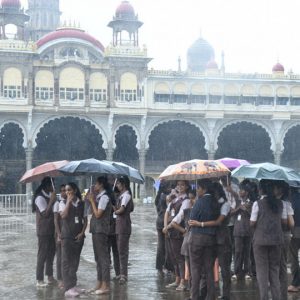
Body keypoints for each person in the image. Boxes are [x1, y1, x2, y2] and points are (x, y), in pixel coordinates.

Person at [250, 180, 286, 300]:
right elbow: (284, 222)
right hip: (276, 240)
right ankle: (277, 297)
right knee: (274, 271)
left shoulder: (257, 203)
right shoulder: (280, 203)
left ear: (260, 190)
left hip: (260, 241)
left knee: (262, 272)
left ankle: (264, 297)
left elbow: (252, 222)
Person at [198, 182, 232, 300]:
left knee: (225, 269)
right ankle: (206, 293)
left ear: (216, 192)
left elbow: (219, 221)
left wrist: (201, 223)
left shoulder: (225, 204)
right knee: (206, 268)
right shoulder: (210, 203)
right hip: (210, 239)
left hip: (223, 240)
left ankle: (226, 295)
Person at [188, 179, 219, 300]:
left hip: (197, 239)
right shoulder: (215, 202)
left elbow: (191, 220)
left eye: (198, 188)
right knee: (209, 269)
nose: (197, 190)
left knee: (195, 269)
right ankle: (210, 296)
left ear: (204, 189)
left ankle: (194, 296)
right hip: (211, 239)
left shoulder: (199, 202)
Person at [60, 182, 87, 297]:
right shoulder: (62, 203)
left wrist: (82, 233)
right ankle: (68, 288)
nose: (67, 192)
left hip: (78, 236)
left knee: (75, 261)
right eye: (66, 191)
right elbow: (63, 215)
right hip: (67, 236)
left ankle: (73, 285)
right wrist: (68, 202)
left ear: (75, 190)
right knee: (66, 261)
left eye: (69, 190)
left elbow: (85, 220)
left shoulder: (82, 203)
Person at [163, 180, 190, 291]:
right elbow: (167, 212)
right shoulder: (174, 199)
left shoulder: (186, 200)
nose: (180, 187)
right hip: (170, 231)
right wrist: (165, 227)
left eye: (182, 185)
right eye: (178, 185)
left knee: (180, 257)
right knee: (173, 257)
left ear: (187, 186)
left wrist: (168, 226)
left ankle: (183, 281)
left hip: (179, 231)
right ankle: (177, 278)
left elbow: (180, 216)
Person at [88, 176, 112, 295]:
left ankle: (105, 284)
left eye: (96, 184)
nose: (94, 186)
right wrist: (91, 200)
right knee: (98, 258)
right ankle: (99, 282)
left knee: (103, 258)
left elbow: (98, 214)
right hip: (95, 230)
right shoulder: (98, 197)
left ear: (101, 184)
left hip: (101, 230)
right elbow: (92, 212)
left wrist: (92, 201)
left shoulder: (104, 197)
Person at [32, 177, 57, 287]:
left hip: (52, 229)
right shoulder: (39, 198)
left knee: (51, 253)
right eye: (52, 185)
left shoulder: (49, 196)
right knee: (42, 254)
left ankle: (50, 276)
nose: (54, 187)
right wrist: (51, 201)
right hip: (43, 230)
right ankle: (39, 279)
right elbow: (45, 214)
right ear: (47, 186)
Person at [273, 181, 294, 300]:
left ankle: (277, 291)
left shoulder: (280, 203)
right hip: (285, 235)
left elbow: (288, 222)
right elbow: (291, 223)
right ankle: (282, 294)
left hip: (276, 235)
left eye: (275, 187)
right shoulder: (287, 203)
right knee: (282, 264)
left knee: (275, 264)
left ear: (280, 189)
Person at [114, 176, 134, 284]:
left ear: (123, 184)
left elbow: (121, 210)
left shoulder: (126, 196)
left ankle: (124, 275)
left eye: (118, 183)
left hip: (123, 225)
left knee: (122, 251)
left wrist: (115, 211)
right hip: (119, 225)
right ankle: (121, 273)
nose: (117, 185)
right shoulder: (121, 195)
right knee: (120, 250)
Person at [231, 183, 253, 280]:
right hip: (238, 230)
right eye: (239, 190)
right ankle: (236, 271)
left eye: (242, 190)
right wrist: (238, 208)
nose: (240, 192)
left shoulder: (252, 202)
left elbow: (254, 215)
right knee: (238, 251)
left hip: (248, 230)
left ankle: (247, 271)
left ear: (247, 192)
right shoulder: (236, 201)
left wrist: (247, 209)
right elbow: (230, 213)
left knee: (247, 252)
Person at [155, 180, 171, 275]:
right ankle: (165, 266)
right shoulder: (166, 197)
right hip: (165, 222)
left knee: (161, 246)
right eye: (169, 186)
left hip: (159, 221)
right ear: (166, 187)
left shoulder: (159, 196)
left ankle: (159, 267)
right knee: (165, 246)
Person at [53, 184, 67, 289]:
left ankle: (66, 277)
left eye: (65, 190)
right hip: (60, 233)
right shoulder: (57, 203)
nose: (64, 192)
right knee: (60, 257)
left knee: (66, 256)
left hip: (68, 233)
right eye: (62, 190)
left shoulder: (68, 202)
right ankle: (60, 279)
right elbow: (56, 220)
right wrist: (58, 234)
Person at [288, 187, 300, 292]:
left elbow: (291, 216)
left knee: (294, 258)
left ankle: (296, 283)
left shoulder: (292, 199)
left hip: (295, 231)